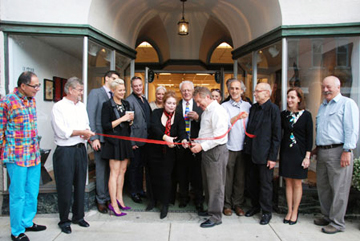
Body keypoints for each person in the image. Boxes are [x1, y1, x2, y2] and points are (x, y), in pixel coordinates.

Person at [0, 72, 46, 241]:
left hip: (33, 155)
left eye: (38, 85)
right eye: (35, 86)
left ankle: (27, 221)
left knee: (32, 191)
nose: (37, 89)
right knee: (18, 194)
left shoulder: (31, 100)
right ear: (23, 86)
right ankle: (16, 231)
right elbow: (0, 129)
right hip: (16, 155)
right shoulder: (7, 101)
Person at [313, 76, 359, 234]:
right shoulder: (323, 106)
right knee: (324, 187)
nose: (326, 90)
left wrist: (347, 150)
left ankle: (337, 223)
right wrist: (316, 148)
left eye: (329, 87)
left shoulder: (347, 104)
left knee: (339, 188)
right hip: (323, 151)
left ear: (338, 87)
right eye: (324, 87)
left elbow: (351, 129)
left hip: (339, 151)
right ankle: (327, 216)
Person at [51, 77, 95, 234]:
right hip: (65, 151)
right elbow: (62, 132)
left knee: (80, 184)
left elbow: (86, 125)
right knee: (65, 186)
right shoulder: (59, 107)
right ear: (70, 90)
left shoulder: (81, 106)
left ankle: (79, 216)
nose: (82, 93)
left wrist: (87, 134)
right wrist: (81, 132)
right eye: (80, 90)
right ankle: (64, 220)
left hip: (80, 149)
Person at [190, 87, 229, 228]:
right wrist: (198, 142)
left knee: (216, 186)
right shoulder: (207, 111)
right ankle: (212, 210)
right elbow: (206, 132)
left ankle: (216, 217)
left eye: (199, 102)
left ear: (207, 97)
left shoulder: (218, 111)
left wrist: (201, 146)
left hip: (216, 151)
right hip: (207, 151)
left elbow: (219, 137)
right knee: (208, 184)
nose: (198, 105)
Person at [243, 82, 281, 225]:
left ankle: (266, 212)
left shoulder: (273, 109)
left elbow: (276, 136)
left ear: (267, 93)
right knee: (252, 182)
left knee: (265, 185)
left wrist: (273, 157)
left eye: (258, 91)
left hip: (265, 154)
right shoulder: (253, 108)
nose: (255, 93)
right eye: (255, 91)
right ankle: (255, 206)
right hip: (251, 152)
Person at [147, 90, 188, 219]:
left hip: (170, 152)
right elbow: (153, 128)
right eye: (169, 103)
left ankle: (165, 204)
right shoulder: (156, 113)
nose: (171, 105)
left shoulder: (179, 116)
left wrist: (184, 140)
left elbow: (182, 132)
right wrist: (165, 137)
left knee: (166, 178)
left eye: (174, 103)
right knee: (153, 176)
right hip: (154, 151)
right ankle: (152, 201)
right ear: (164, 103)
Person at [87, 70, 120, 214]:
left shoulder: (114, 95)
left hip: (112, 139)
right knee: (101, 170)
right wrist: (93, 138)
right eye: (113, 78)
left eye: (117, 80)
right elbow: (90, 116)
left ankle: (108, 197)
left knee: (111, 171)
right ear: (106, 79)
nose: (115, 81)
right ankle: (101, 200)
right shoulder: (96, 93)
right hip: (100, 139)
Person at [279, 87, 313, 225]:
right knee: (288, 182)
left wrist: (307, 156)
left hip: (299, 153)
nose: (289, 100)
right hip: (286, 152)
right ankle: (289, 210)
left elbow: (310, 137)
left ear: (299, 99)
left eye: (293, 97)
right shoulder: (284, 115)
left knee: (297, 183)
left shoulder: (306, 115)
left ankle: (295, 211)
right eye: (288, 97)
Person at [101, 78, 134, 216]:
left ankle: (120, 199)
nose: (123, 92)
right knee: (114, 173)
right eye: (120, 90)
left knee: (123, 170)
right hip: (113, 142)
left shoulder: (126, 103)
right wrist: (122, 119)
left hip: (125, 141)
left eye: (124, 90)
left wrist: (131, 120)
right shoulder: (107, 105)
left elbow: (128, 124)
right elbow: (106, 125)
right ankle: (113, 203)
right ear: (113, 90)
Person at [221, 79, 251, 217]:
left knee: (240, 178)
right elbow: (224, 125)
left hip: (243, 147)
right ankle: (226, 205)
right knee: (227, 178)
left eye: (237, 88)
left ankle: (238, 204)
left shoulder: (248, 106)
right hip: (229, 146)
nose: (234, 91)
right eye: (232, 88)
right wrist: (237, 117)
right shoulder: (224, 106)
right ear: (228, 90)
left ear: (242, 90)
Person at [175, 80, 204, 211]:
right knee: (182, 174)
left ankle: (198, 200)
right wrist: (181, 139)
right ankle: (183, 198)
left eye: (189, 90)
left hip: (197, 145)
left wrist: (198, 117)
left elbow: (207, 123)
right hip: (182, 145)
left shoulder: (200, 106)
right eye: (184, 90)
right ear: (181, 92)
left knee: (197, 175)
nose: (186, 92)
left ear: (193, 91)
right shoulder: (176, 106)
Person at [126, 76, 152, 203]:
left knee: (141, 166)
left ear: (143, 86)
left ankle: (141, 190)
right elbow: (128, 124)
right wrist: (131, 142)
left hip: (145, 140)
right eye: (135, 86)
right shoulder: (129, 101)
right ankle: (134, 191)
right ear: (132, 87)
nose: (138, 88)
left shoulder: (144, 99)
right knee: (134, 167)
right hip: (135, 141)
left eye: (140, 85)